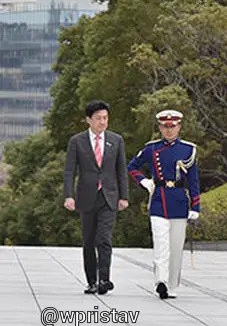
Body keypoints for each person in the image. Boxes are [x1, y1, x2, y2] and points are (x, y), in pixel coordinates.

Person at [127, 110, 200, 299]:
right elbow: (132, 167)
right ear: (160, 127)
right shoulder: (151, 149)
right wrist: (144, 182)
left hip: (179, 201)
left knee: (176, 247)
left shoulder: (188, 149)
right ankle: (161, 281)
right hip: (159, 200)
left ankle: (172, 284)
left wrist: (195, 207)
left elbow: (193, 181)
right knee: (161, 244)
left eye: (173, 126)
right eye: (165, 127)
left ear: (179, 127)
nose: (169, 130)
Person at [63, 100, 129, 295]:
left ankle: (104, 280)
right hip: (87, 197)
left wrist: (124, 196)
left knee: (104, 239)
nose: (103, 122)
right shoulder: (77, 141)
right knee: (89, 241)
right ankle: (92, 281)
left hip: (109, 196)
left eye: (105, 118)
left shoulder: (116, 140)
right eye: (98, 118)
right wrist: (69, 196)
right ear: (88, 120)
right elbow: (69, 171)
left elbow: (121, 170)